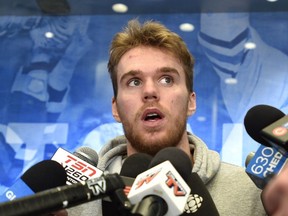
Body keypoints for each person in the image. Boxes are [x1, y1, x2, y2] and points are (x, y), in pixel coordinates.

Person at [63, 18, 273, 216]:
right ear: (116, 108)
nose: (150, 91)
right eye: (134, 82)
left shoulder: (251, 193)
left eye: (166, 79)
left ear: (191, 102)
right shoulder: (74, 202)